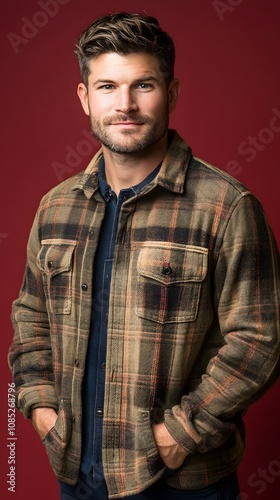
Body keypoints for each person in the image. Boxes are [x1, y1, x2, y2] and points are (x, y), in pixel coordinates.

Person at [8, 11, 280, 500]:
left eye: (144, 85)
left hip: (184, 481)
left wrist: (180, 435)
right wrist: (39, 406)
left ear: (171, 93)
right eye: (108, 86)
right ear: (84, 97)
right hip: (77, 473)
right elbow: (31, 317)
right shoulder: (55, 207)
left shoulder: (226, 207)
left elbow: (260, 340)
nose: (125, 105)